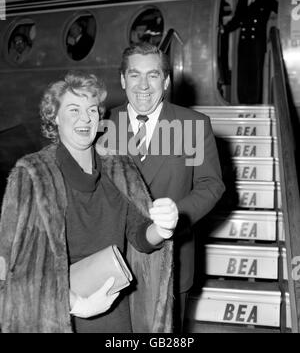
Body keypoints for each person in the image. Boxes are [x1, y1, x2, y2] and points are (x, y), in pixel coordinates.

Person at [0, 71, 177, 333]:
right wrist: (74, 303)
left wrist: (162, 229)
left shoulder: (119, 168)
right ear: (54, 118)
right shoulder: (32, 174)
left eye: (92, 110)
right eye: (74, 110)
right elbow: (8, 263)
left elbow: (139, 236)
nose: (85, 118)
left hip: (115, 308)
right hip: (58, 315)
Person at [101, 44, 225, 331]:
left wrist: (173, 218)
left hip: (171, 259)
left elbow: (210, 185)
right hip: (113, 260)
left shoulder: (193, 125)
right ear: (122, 80)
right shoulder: (102, 124)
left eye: (153, 75)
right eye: (134, 75)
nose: (143, 85)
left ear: (166, 81)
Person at [222, 0, 278, 104]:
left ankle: (254, 101)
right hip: (243, 42)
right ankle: (243, 100)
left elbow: (282, 9)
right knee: (242, 72)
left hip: (257, 42)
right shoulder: (242, 1)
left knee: (255, 73)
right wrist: (224, 29)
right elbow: (236, 20)